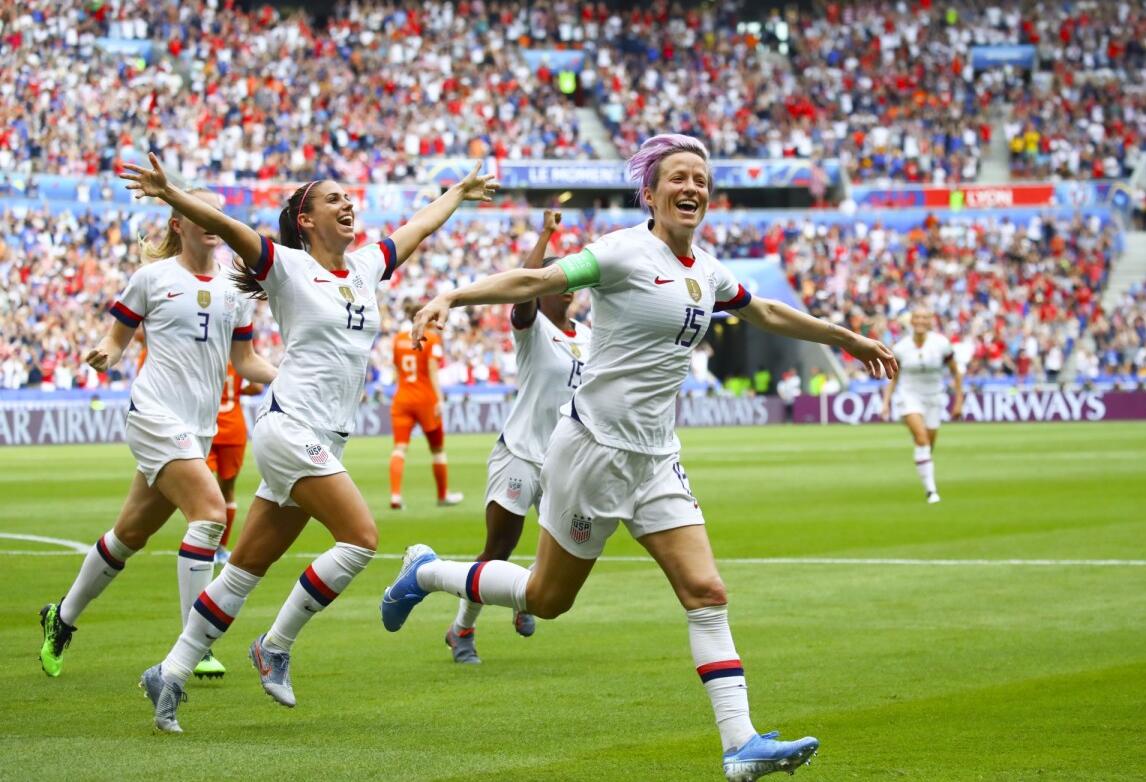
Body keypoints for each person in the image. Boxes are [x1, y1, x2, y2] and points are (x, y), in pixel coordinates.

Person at [380, 135, 897, 781]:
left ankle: (739, 745)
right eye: (677, 177)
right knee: (545, 599)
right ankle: (426, 572)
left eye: (700, 180)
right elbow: (538, 280)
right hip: (591, 450)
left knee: (706, 590)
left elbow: (762, 309)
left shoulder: (707, 270)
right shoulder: (624, 251)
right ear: (649, 193)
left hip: (657, 458)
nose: (691, 188)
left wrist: (844, 337)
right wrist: (455, 295)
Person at [119, 153, 498, 732]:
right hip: (290, 425)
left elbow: (418, 226)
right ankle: (275, 645)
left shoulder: (367, 266)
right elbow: (228, 228)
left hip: (324, 436)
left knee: (246, 566)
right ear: (305, 219)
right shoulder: (287, 268)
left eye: (350, 197)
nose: (348, 203)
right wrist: (170, 193)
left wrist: (461, 191)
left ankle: (169, 671)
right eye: (333, 198)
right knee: (360, 539)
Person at [38, 188, 276, 682]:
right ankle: (194, 646)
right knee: (210, 515)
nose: (208, 220)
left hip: (198, 428)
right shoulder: (152, 279)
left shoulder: (235, 287)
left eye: (214, 212)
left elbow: (246, 362)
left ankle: (60, 618)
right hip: (153, 415)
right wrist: (107, 353)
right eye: (196, 212)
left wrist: (293, 376)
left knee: (128, 536)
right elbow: (116, 337)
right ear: (177, 224)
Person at [445, 209, 591, 664]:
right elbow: (524, 285)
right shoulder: (533, 328)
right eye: (554, 277)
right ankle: (461, 630)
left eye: (567, 277)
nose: (565, 283)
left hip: (563, 460)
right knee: (498, 547)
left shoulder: (589, 337)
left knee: (563, 549)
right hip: (520, 453)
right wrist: (546, 235)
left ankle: (523, 595)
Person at [881, 307, 964, 504]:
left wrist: (959, 401)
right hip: (909, 396)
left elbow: (956, 373)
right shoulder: (900, 347)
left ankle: (921, 455)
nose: (920, 321)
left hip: (934, 398)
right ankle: (931, 492)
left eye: (924, 317)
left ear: (930, 321)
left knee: (927, 444)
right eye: (917, 317)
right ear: (911, 321)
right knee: (922, 439)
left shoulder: (942, 344)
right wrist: (886, 402)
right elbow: (894, 378)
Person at [388, 308, 463, 510]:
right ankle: (442, 495)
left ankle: (395, 495)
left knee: (399, 449)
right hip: (425, 400)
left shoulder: (397, 339)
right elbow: (432, 371)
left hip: (402, 398)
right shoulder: (431, 339)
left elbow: (396, 368)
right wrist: (439, 399)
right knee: (437, 450)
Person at [206, 362, 265, 565]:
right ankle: (221, 549)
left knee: (202, 491)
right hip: (233, 430)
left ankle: (203, 547)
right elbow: (257, 387)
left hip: (207, 428)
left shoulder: (210, 355)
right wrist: (238, 391)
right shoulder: (238, 360)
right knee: (228, 490)